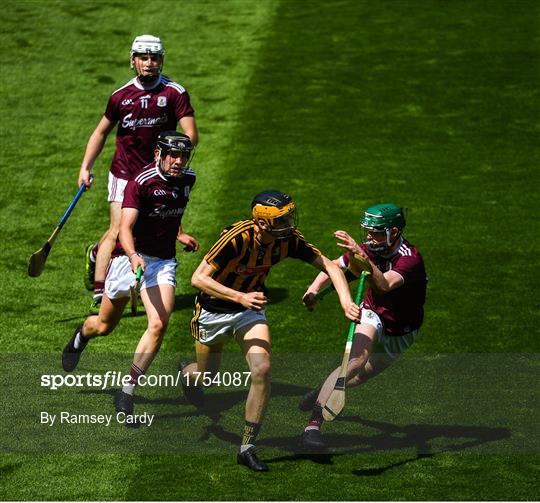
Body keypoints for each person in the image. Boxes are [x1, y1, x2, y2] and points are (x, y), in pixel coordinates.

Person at [179, 190, 361, 472]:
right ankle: (188, 374)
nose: (289, 222)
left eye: (289, 215)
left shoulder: (287, 240)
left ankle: (247, 446)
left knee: (262, 368)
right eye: (282, 218)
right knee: (207, 376)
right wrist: (239, 297)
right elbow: (197, 278)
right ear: (263, 222)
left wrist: (346, 302)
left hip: (249, 311)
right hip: (213, 311)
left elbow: (330, 266)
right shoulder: (236, 238)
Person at [62, 131, 199, 417]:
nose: (178, 161)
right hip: (128, 258)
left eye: (183, 155)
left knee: (159, 323)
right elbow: (125, 228)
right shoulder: (141, 182)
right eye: (172, 155)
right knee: (103, 325)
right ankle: (81, 336)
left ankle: (127, 391)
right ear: (159, 154)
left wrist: (180, 233)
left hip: (162, 263)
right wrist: (134, 256)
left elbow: (173, 209)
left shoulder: (188, 179)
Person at [79, 34, 198, 311]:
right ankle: (100, 291)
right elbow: (101, 132)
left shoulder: (174, 93)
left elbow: (191, 134)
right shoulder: (120, 96)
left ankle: (97, 254)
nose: (149, 63)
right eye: (143, 57)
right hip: (124, 172)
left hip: (158, 174)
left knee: (153, 223)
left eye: (154, 57)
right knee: (117, 229)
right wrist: (85, 167)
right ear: (133, 61)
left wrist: (175, 158)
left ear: (161, 60)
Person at [297, 203, 427, 451]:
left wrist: (364, 258)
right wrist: (313, 289)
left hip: (403, 328)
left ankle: (322, 389)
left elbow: (385, 285)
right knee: (354, 361)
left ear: (394, 232)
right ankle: (312, 427)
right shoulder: (369, 249)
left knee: (359, 376)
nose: (369, 236)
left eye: (375, 232)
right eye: (367, 231)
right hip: (372, 311)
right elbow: (333, 267)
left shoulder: (410, 259)